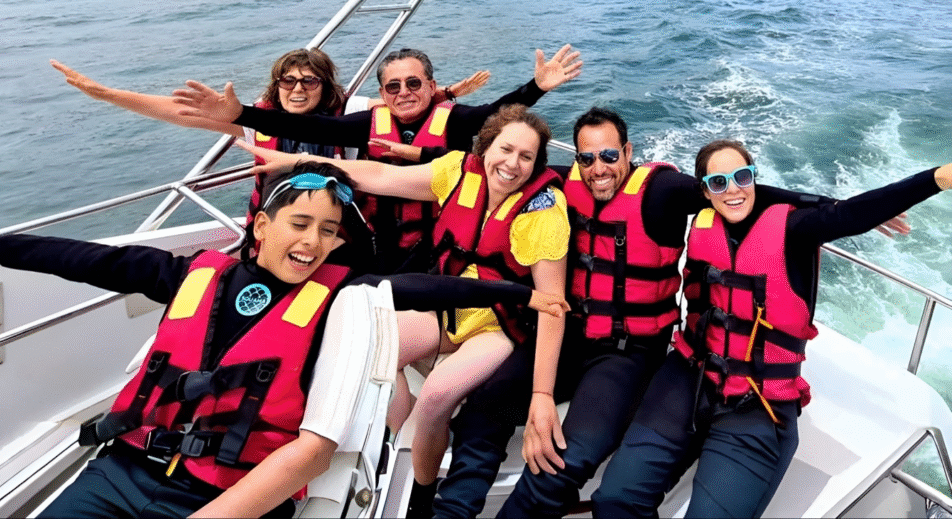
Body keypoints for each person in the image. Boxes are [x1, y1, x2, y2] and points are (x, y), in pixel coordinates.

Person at [0, 161, 567, 519]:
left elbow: (424, 287)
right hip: (120, 472)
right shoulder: (188, 275)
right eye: (300, 224)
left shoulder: (339, 298)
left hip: (229, 492)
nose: (313, 242)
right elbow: (76, 257)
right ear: (262, 225)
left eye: (328, 232)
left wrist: (522, 296)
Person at [431, 108, 910, 519]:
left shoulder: (663, 193)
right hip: (574, 333)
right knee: (482, 409)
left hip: (628, 350)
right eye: (588, 157)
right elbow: (499, 161)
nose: (599, 168)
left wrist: (834, 206)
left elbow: (734, 192)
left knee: (562, 458)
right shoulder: (561, 182)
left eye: (610, 155)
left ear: (628, 151)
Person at [236, 104, 571, 518]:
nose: (512, 164)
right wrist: (298, 162)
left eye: (527, 157)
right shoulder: (456, 171)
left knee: (436, 397)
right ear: (485, 148)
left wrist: (542, 394)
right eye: (506, 149)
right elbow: (379, 175)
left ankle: (422, 495)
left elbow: (554, 306)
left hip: (497, 325)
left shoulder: (543, 210)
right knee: (367, 348)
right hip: (447, 312)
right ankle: (391, 434)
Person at [589, 139, 952, 519]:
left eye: (741, 177)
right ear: (704, 190)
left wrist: (936, 179)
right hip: (689, 378)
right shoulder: (702, 222)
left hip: (758, 399)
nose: (732, 190)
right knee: (615, 497)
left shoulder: (793, 228)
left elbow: (848, 216)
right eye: (718, 182)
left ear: (754, 179)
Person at [176, 45, 581, 273]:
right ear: (383, 93)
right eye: (393, 86)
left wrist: (536, 87)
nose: (404, 91)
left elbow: (497, 112)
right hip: (377, 247)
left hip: (436, 247)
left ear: (432, 86)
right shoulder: (368, 123)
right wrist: (240, 115)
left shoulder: (455, 121)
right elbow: (310, 128)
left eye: (414, 83)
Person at [51, 52, 490, 229]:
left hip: (338, 232)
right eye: (288, 81)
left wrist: (445, 94)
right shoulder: (258, 122)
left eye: (309, 81)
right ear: (276, 84)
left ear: (326, 86)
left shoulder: (352, 113)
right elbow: (177, 110)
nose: (297, 90)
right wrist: (105, 94)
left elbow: (407, 104)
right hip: (273, 228)